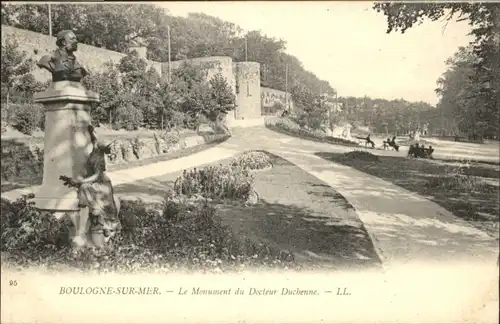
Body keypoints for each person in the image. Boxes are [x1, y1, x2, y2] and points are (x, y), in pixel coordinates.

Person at [60, 125, 121, 247]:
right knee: (83, 188)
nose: (99, 144)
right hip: (96, 181)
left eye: (103, 144)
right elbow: (95, 140)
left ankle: (96, 223)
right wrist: (91, 131)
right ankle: (89, 218)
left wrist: (79, 182)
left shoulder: (99, 158)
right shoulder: (96, 149)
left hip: (101, 184)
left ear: (103, 149)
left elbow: (95, 176)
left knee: (84, 189)